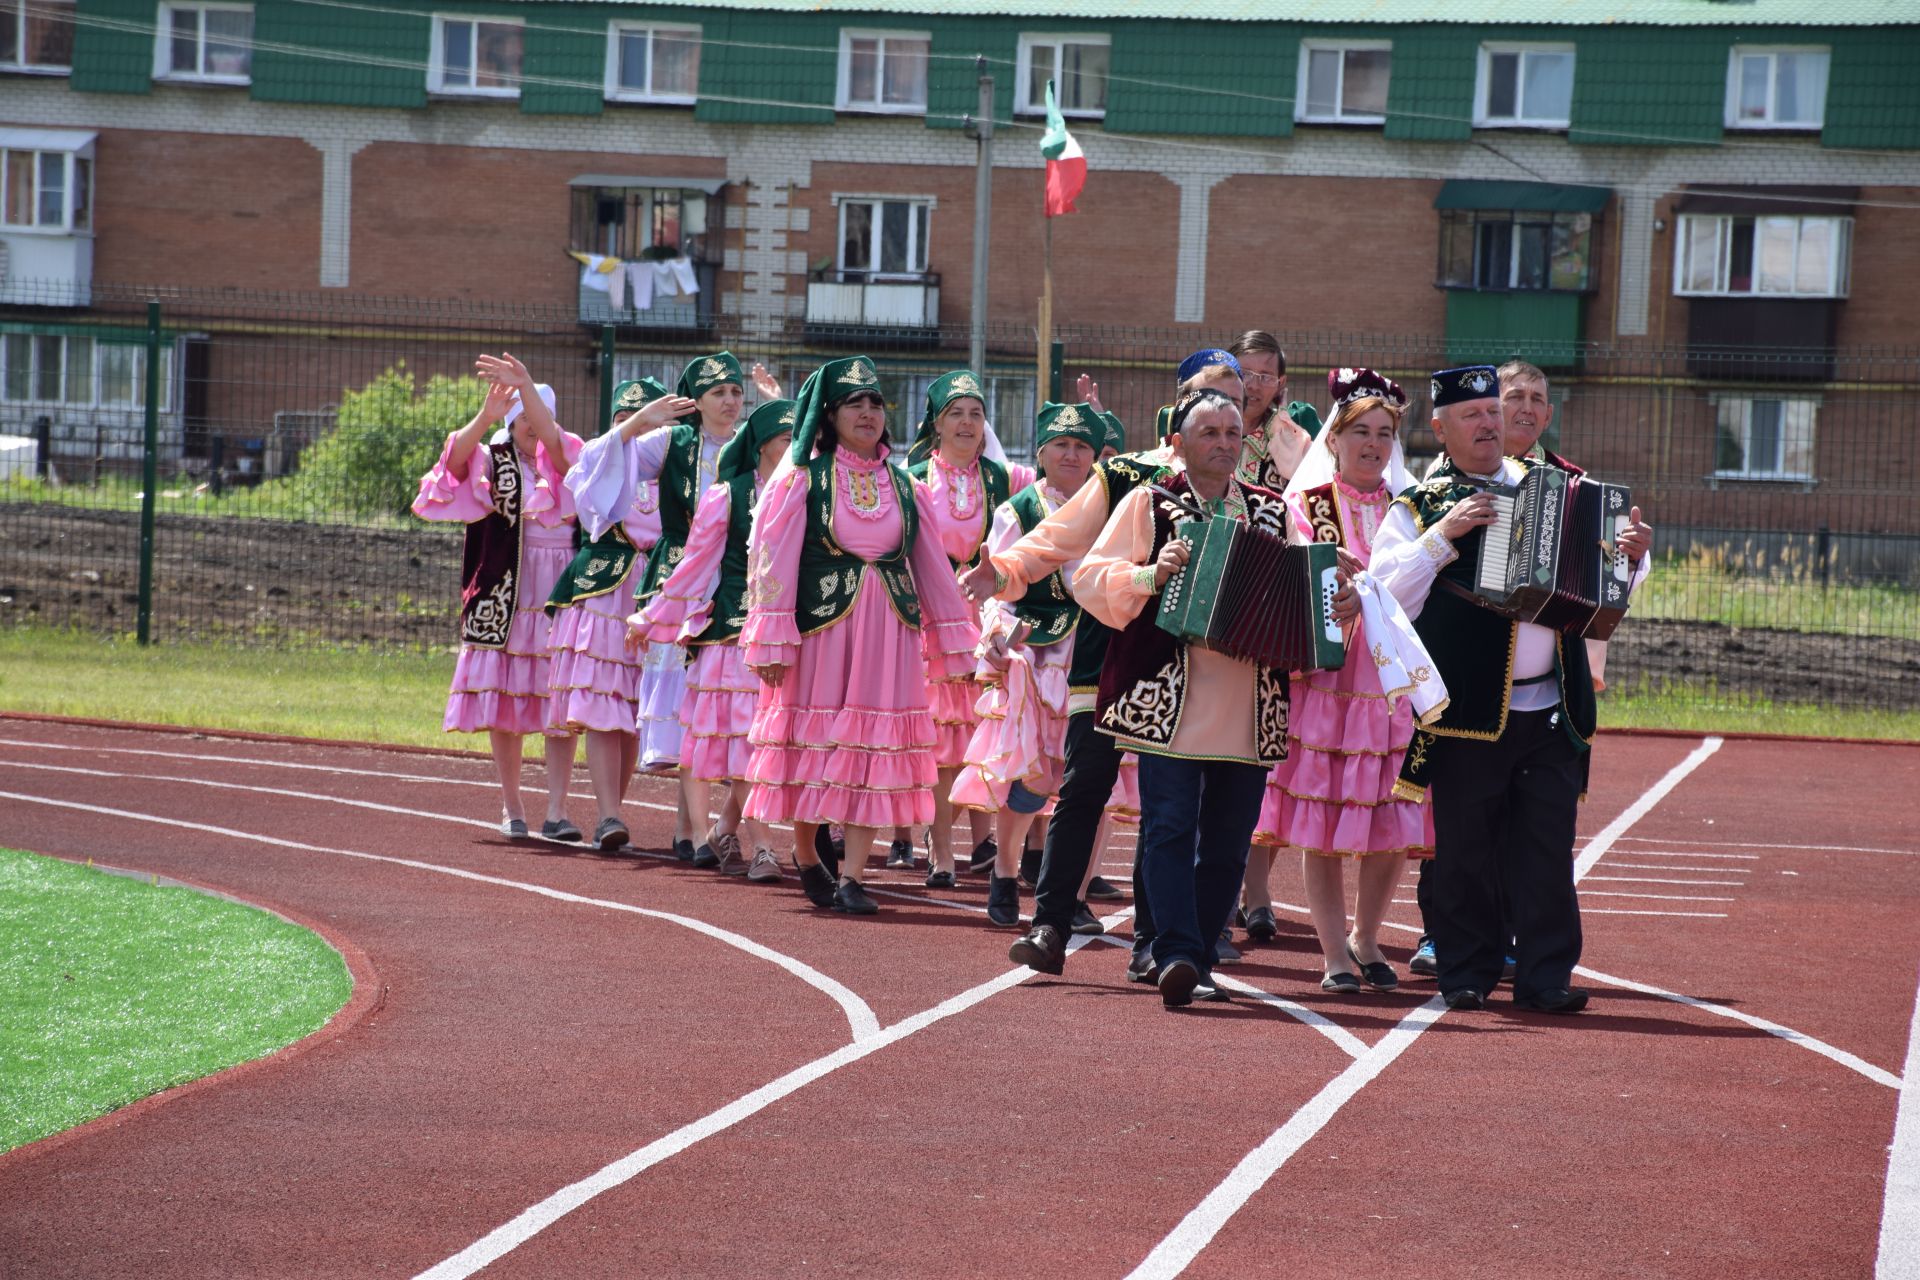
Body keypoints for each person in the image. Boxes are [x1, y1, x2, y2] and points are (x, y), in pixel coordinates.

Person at [1371, 365, 1652, 1014]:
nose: (1489, 424)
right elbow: (1388, 597)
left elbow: (1606, 593)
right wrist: (1445, 537)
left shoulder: (1552, 490)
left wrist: (1632, 559)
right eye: (1471, 415)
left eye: (1492, 413)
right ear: (1439, 429)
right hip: (1469, 710)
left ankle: (1546, 976)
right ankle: (1465, 971)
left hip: (1553, 705)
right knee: (1467, 850)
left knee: (1547, 849)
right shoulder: (1419, 505)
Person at [967, 349, 1242, 981]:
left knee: (1165, 805)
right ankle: (1051, 925)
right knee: (1085, 787)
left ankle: (1153, 940)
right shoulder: (1125, 475)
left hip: (1197, 671)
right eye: (1207, 395)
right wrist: (1003, 573)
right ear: (1179, 406)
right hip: (1110, 652)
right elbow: (1057, 538)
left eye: (1234, 400)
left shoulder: (1246, 490)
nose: (1223, 410)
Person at [1074, 388, 1354, 1008]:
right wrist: (1151, 574)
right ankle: (1174, 952)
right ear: (1177, 442)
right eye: (1210, 433)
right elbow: (1088, 579)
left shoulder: (1272, 511)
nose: (1225, 443)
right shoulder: (1149, 503)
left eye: (1232, 433)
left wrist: (1339, 600)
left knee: (1230, 839)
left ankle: (1196, 954)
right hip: (1165, 696)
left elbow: (1311, 595)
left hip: (1250, 703)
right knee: (1170, 826)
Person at [741, 356, 978, 916]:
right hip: (822, 633)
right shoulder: (805, 479)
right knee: (816, 749)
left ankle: (851, 875)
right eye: (855, 403)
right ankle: (806, 856)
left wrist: (957, 645)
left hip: (890, 637)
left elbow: (934, 571)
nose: (868, 413)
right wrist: (772, 639)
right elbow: (773, 560)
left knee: (873, 749)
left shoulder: (906, 486)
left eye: (875, 403)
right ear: (829, 415)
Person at [1256, 367, 1446, 994]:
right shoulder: (1304, 507)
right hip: (1332, 683)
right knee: (1327, 815)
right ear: (1333, 438)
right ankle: (1335, 951)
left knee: (1392, 816)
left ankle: (1368, 936)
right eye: (1360, 431)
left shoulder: (1411, 508)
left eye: (1385, 433)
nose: (1373, 444)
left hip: (1396, 686)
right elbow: (1289, 583)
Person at [412, 353, 582, 842]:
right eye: (521, 414)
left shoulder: (568, 459)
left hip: (559, 596)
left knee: (558, 704)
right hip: (507, 596)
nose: (531, 423)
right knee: (506, 703)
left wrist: (528, 392)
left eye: (539, 412)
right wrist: (486, 416)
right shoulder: (493, 459)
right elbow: (453, 463)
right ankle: (512, 807)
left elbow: (567, 454)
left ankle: (558, 809)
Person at [628, 398, 795, 880]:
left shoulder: (805, 496)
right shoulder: (727, 495)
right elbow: (695, 565)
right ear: (763, 446)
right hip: (730, 633)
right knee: (734, 739)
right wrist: (652, 617)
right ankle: (759, 844)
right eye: (786, 441)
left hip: (784, 634)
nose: (795, 451)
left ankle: (724, 825)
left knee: (762, 743)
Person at [950, 402, 1101, 925]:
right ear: (1041, 452)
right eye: (1061, 444)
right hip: (1037, 657)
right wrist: (996, 635)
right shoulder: (1020, 509)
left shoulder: (1112, 508)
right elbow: (998, 588)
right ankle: (1006, 871)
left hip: (1095, 653)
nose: (1072, 454)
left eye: (1082, 446)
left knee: (1086, 781)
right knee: (1032, 778)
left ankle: (1070, 893)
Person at [548, 378, 698, 850]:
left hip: (657, 589)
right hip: (605, 592)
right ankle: (609, 815)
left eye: (655, 416)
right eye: (628, 417)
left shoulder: (678, 466)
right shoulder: (599, 460)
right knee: (602, 701)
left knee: (638, 704)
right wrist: (633, 428)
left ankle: (614, 813)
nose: (639, 427)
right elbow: (579, 474)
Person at [905, 371, 1037, 882]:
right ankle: (940, 850)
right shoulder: (912, 477)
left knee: (982, 733)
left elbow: (1065, 486)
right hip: (930, 621)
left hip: (987, 623)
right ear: (936, 423)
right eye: (955, 413)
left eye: (976, 414)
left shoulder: (1006, 478)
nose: (967, 423)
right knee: (942, 744)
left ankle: (979, 843)